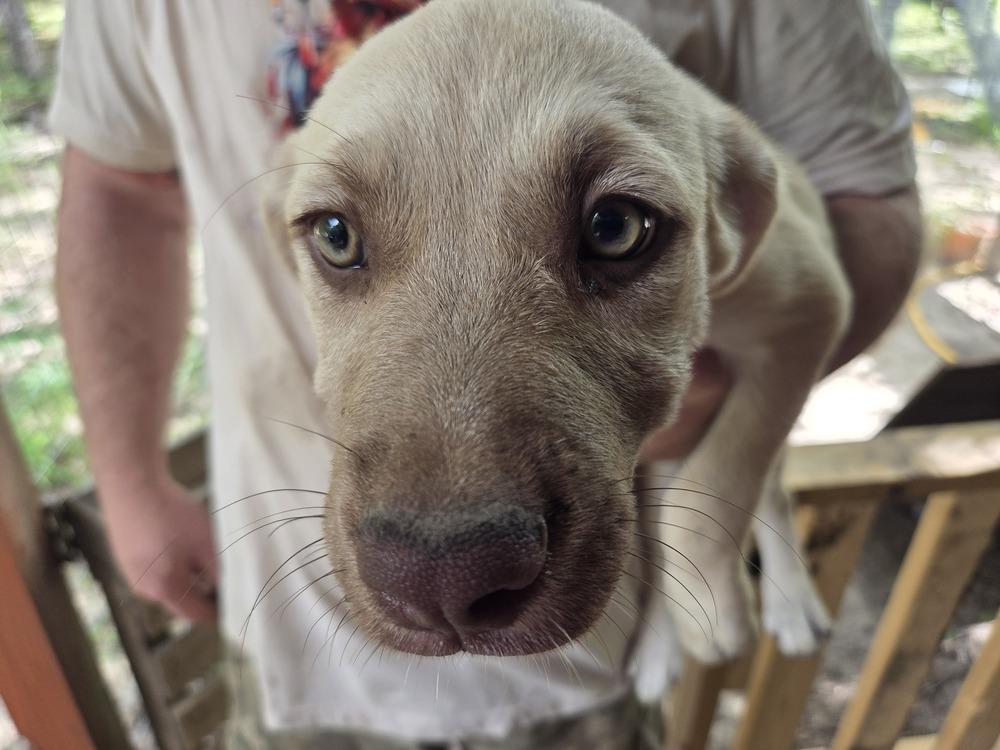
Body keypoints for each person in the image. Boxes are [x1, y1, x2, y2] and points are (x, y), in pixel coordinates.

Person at [51, 1, 921, 748]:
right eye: (339, 238)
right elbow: (118, 189)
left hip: (600, 663)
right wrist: (128, 482)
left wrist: (712, 415)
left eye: (615, 226)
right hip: (295, 625)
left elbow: (860, 201)